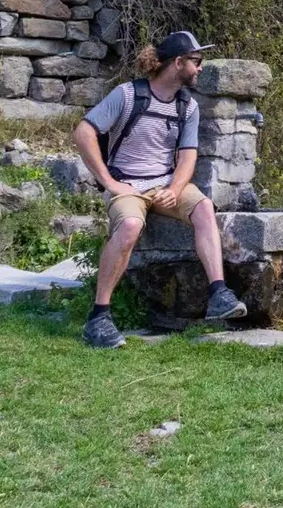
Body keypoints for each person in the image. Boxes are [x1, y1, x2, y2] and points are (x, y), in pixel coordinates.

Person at [73, 30, 247, 348]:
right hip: (127, 186)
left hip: (166, 185)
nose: (201, 67)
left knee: (204, 207)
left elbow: (187, 156)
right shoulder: (127, 95)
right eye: (196, 61)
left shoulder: (187, 107)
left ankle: (219, 293)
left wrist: (176, 187)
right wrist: (110, 182)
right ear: (177, 62)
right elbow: (84, 132)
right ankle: (98, 317)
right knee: (130, 225)